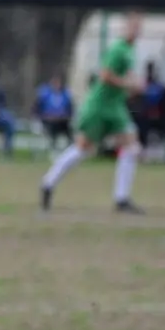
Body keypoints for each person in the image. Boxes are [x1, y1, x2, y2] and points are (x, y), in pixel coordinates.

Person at [40, 11, 145, 213]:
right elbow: (105, 75)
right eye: (133, 26)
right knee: (83, 149)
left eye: (139, 27)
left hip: (115, 107)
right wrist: (127, 84)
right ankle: (48, 183)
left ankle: (121, 199)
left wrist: (136, 83)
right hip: (99, 106)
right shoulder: (117, 49)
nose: (136, 30)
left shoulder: (130, 51)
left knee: (132, 146)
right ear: (126, 28)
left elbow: (129, 74)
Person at [33, 73, 75, 151]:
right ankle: (53, 148)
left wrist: (67, 116)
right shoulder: (45, 95)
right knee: (52, 129)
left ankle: (70, 149)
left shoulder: (65, 94)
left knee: (69, 130)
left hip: (62, 121)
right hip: (48, 121)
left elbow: (70, 109)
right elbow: (37, 108)